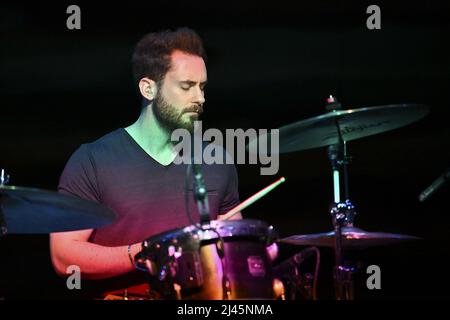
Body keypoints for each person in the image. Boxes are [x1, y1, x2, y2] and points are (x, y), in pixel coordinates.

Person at [49, 27, 243, 299]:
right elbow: (63, 256)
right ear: (148, 88)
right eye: (187, 86)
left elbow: (236, 247)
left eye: (202, 87)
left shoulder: (217, 160)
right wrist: (147, 252)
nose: (200, 98)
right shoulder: (92, 160)